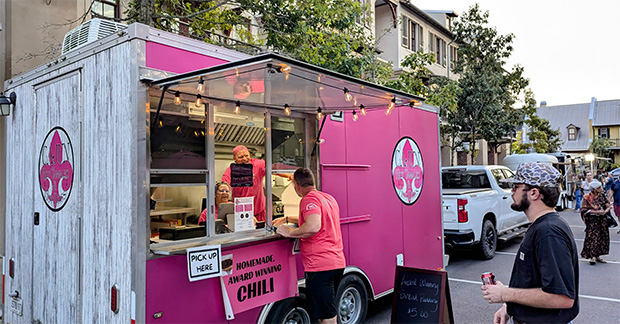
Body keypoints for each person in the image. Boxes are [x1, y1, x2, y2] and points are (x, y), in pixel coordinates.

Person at [481, 162, 579, 324]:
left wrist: (505, 294)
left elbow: (562, 298)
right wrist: (510, 306)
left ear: (534, 193)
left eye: (516, 187)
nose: (512, 192)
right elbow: (535, 281)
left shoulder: (549, 232)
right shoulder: (542, 226)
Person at [275, 168, 346, 324]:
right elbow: (320, 219)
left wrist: (288, 231)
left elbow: (313, 226)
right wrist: (288, 217)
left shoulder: (308, 199)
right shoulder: (328, 198)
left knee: (327, 316)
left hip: (320, 266)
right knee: (324, 311)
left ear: (297, 186)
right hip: (337, 262)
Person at [221, 145, 292, 222]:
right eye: (241, 157)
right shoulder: (231, 171)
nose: (244, 159)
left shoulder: (259, 164)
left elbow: (274, 169)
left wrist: (289, 175)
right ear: (234, 159)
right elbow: (224, 186)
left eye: (246, 156)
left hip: (260, 211)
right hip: (242, 213)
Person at [580, 181, 611, 265]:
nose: (600, 189)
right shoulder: (587, 197)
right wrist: (596, 212)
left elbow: (608, 205)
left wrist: (605, 211)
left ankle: (598, 256)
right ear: (594, 189)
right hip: (592, 220)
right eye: (599, 188)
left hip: (602, 220)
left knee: (602, 236)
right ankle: (592, 256)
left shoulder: (602, 196)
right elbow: (583, 209)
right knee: (593, 237)